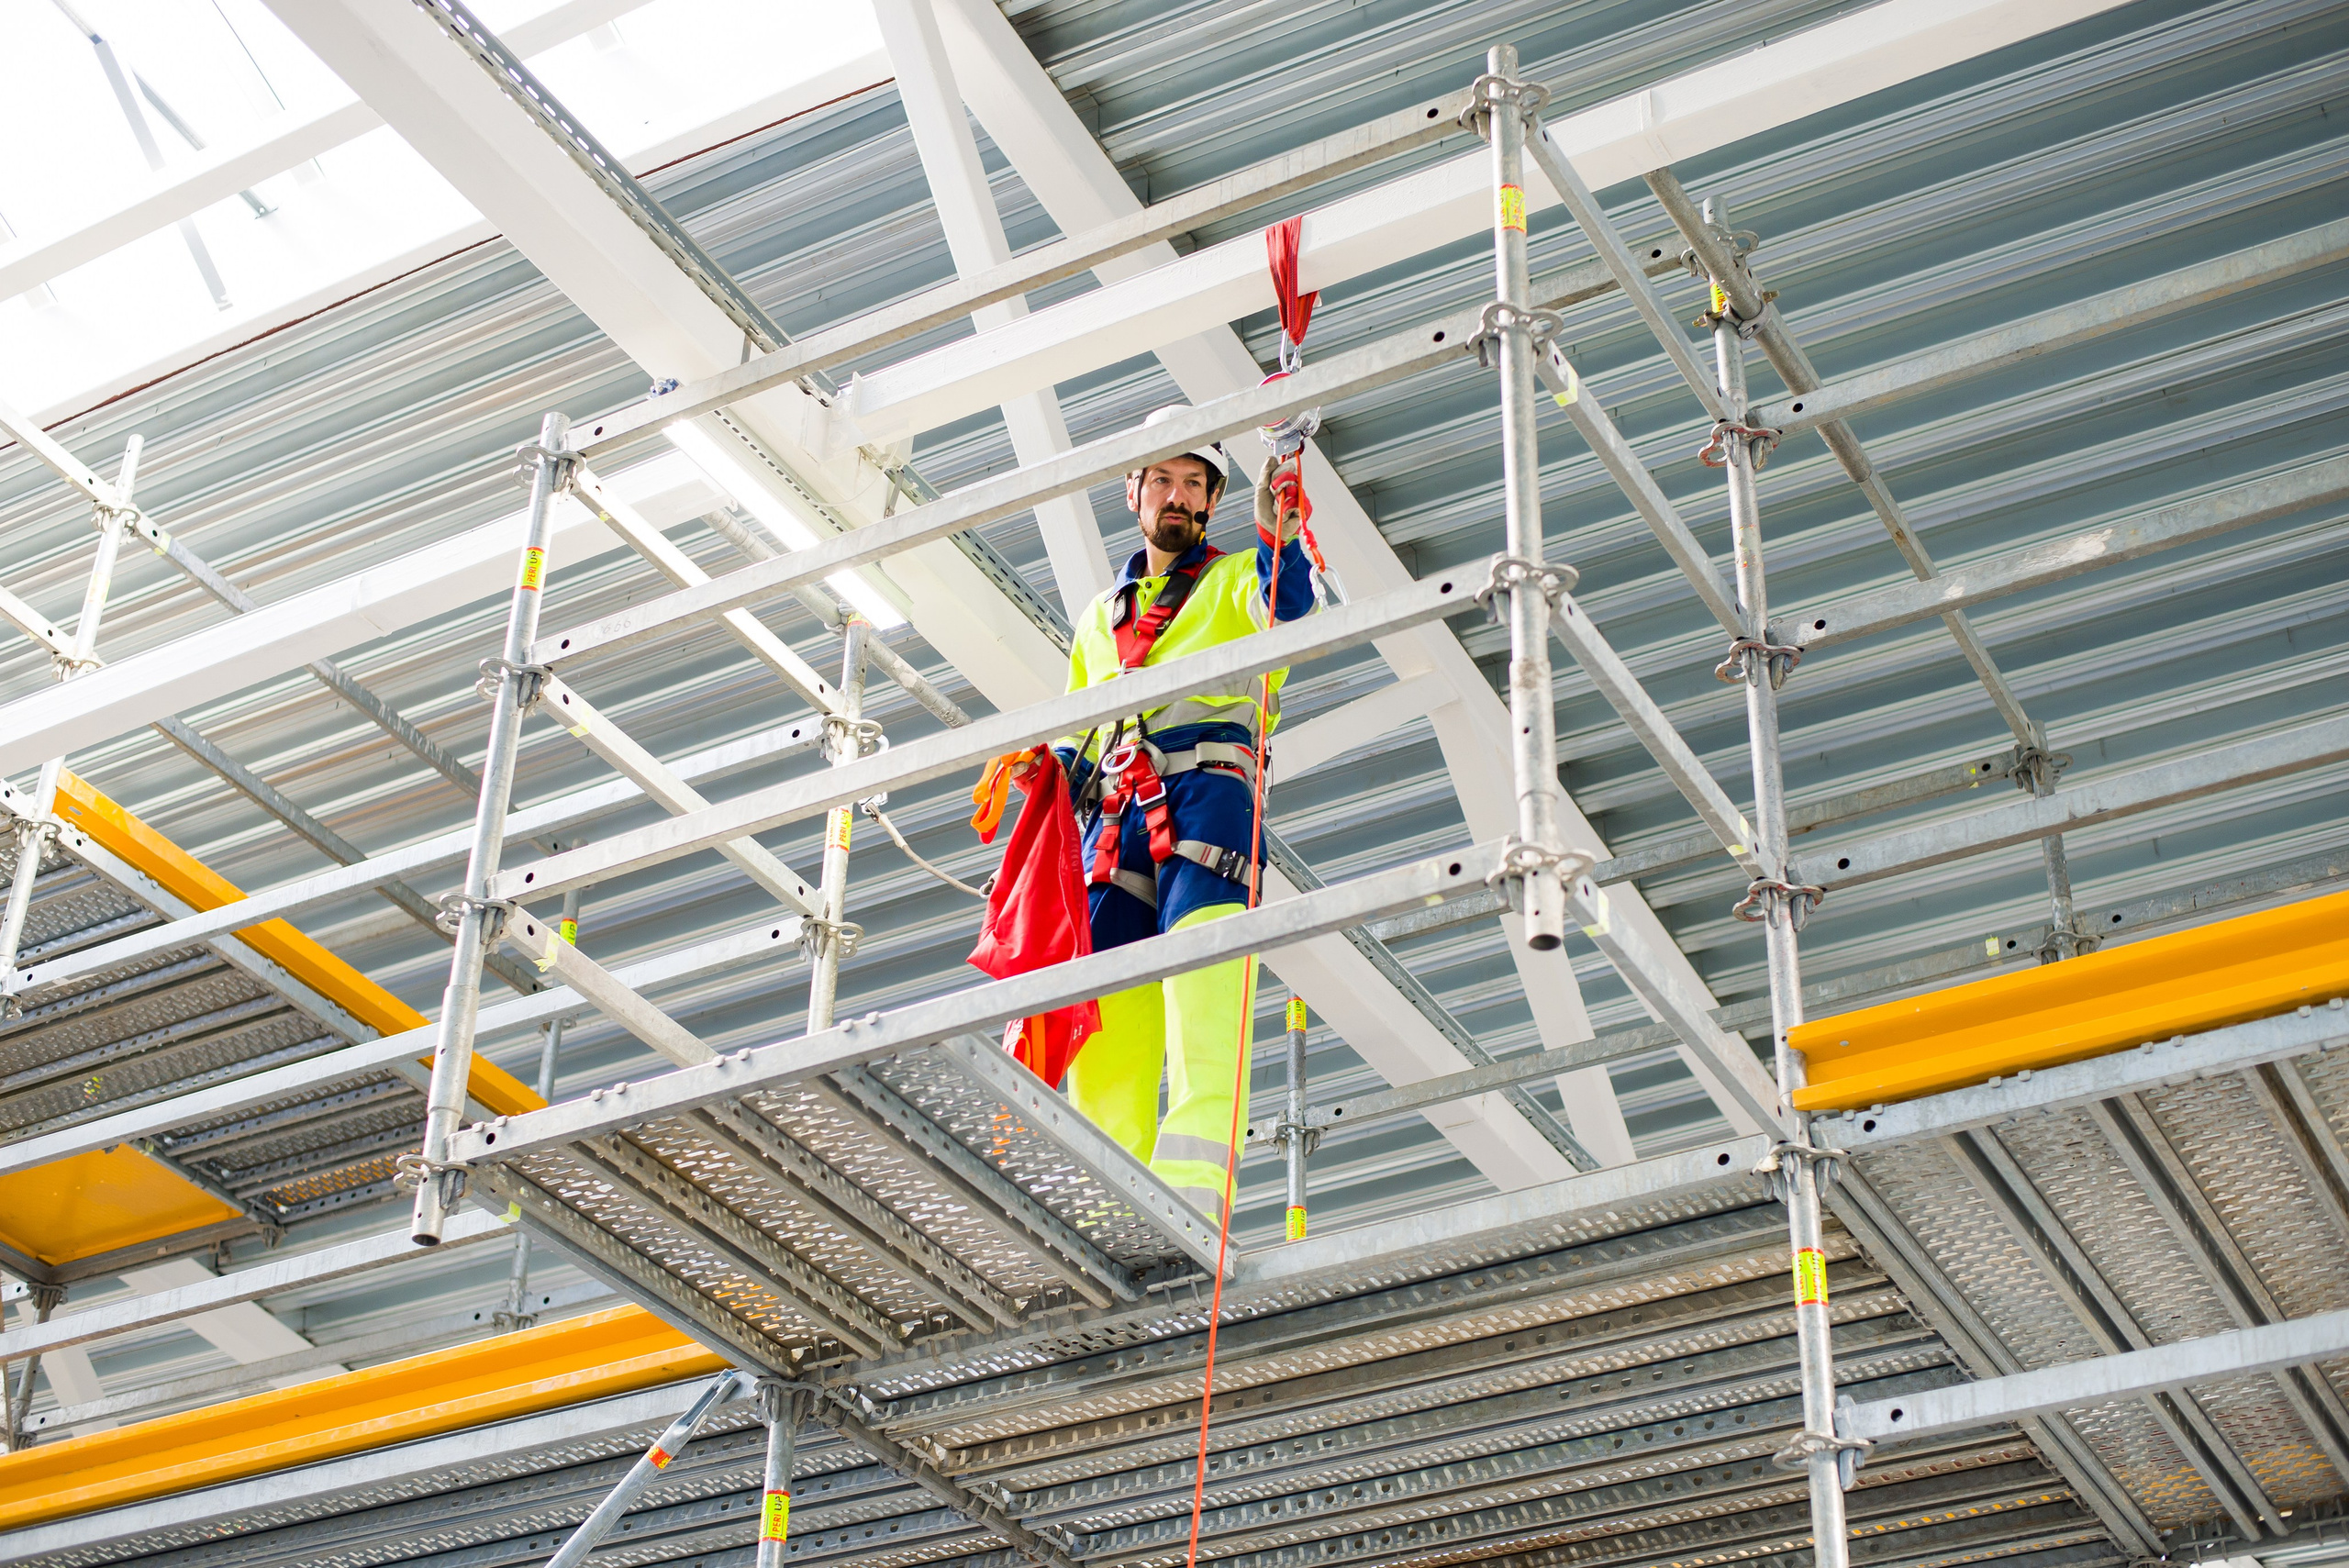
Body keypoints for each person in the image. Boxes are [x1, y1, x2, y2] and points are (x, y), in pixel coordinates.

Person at [1053, 406, 1315, 1221]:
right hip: (1116, 813)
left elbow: (1288, 602)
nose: (1178, 495)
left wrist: (1279, 535)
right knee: (1107, 1015)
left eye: (1195, 484)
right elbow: (1077, 729)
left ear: (1210, 503)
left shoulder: (1236, 578)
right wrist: (1042, 772)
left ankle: (1195, 1195)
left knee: (1205, 986)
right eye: (1163, 478)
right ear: (1134, 492)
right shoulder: (1102, 616)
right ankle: (1109, 1207)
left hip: (1207, 797)